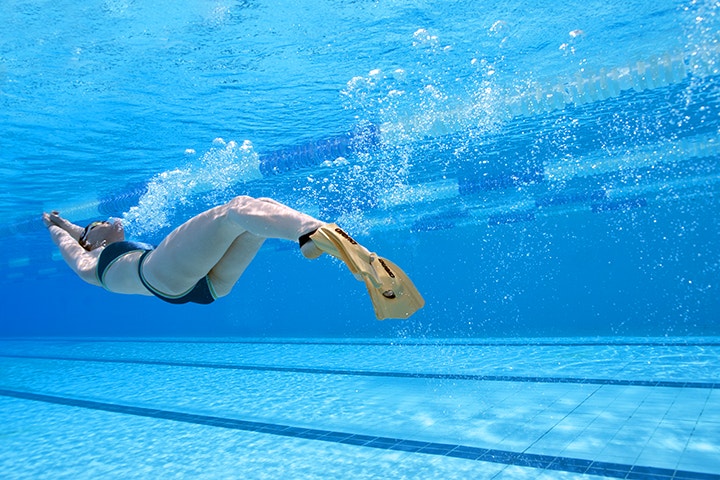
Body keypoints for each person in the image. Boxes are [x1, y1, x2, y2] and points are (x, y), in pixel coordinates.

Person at [43, 195, 423, 319]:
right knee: (237, 208)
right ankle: (313, 231)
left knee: (257, 212)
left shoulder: (99, 247)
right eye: (96, 224)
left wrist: (62, 220)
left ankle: (311, 238)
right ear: (91, 242)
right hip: (161, 274)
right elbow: (72, 245)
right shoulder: (92, 264)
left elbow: (78, 233)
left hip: (204, 289)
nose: (106, 220)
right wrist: (55, 228)